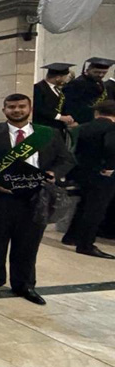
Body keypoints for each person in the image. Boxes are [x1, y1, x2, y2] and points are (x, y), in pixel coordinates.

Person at [0, 93, 74, 304]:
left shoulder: (48, 134)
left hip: (35, 197)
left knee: (28, 243)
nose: (16, 110)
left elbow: (66, 160)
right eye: (11, 107)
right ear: (4, 110)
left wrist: (53, 173)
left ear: (29, 108)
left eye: (21, 106)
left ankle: (24, 284)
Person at [62, 100, 115, 259]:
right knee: (96, 209)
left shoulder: (83, 127)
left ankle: (71, 236)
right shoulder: (111, 128)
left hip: (82, 171)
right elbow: (110, 147)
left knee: (84, 205)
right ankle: (86, 244)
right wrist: (110, 167)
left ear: (97, 112)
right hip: (102, 173)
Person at [64, 58, 115, 125]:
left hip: (95, 119)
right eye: (97, 72)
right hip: (80, 121)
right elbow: (69, 104)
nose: (101, 75)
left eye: (104, 73)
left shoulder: (100, 82)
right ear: (88, 70)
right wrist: (73, 121)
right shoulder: (77, 84)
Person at [33, 63, 76, 131]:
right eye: (65, 77)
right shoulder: (38, 88)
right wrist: (59, 117)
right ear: (57, 78)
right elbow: (39, 108)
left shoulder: (58, 88)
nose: (66, 80)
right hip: (44, 127)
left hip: (58, 128)